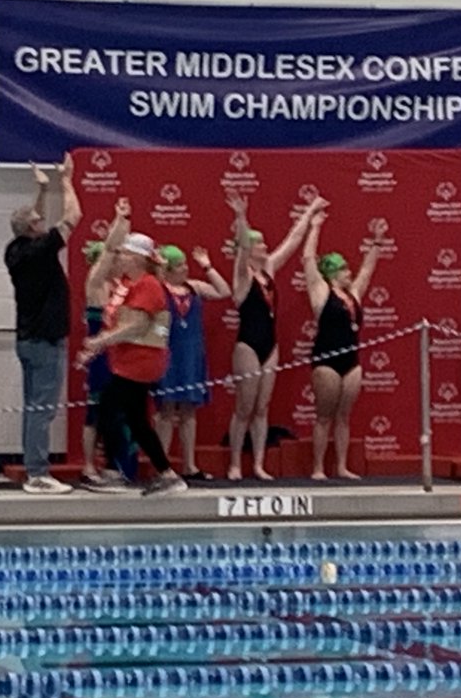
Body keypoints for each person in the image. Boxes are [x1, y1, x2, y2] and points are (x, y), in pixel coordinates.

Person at [226, 191, 329, 480]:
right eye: (259, 242)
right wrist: (241, 217)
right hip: (247, 344)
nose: (264, 245)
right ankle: (235, 463)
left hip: (270, 344)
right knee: (244, 407)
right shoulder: (242, 276)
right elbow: (243, 248)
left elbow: (293, 241)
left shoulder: (269, 269)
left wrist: (311, 211)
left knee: (262, 408)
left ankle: (258, 464)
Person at [76, 232, 187, 496]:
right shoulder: (127, 284)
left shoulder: (148, 285)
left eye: (125, 254)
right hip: (126, 359)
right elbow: (117, 321)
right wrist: (98, 346)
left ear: (138, 259)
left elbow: (137, 325)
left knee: (108, 410)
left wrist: (100, 341)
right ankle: (167, 474)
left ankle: (115, 473)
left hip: (141, 361)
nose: (121, 258)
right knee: (136, 420)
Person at [4, 155, 80, 495]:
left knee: (33, 408)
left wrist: (41, 189)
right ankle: (37, 472)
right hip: (46, 341)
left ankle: (35, 468)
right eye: (39, 220)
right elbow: (73, 217)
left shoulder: (15, 250)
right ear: (35, 229)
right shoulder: (41, 250)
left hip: (28, 340)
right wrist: (66, 181)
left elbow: (31, 221)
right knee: (43, 410)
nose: (42, 221)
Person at [302, 212, 383, 480]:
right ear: (333, 272)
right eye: (345, 269)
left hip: (351, 360)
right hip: (326, 360)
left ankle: (341, 466)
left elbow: (368, 270)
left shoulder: (353, 294)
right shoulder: (321, 292)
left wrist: (377, 242)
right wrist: (315, 227)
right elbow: (308, 261)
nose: (351, 273)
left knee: (344, 417)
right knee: (324, 416)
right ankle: (317, 468)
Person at [154, 243, 231, 480]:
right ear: (167, 270)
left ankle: (189, 465)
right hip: (168, 354)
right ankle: (162, 466)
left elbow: (224, 291)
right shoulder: (158, 289)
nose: (185, 269)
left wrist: (207, 266)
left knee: (188, 410)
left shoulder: (194, 288)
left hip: (191, 355)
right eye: (179, 266)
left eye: (186, 264)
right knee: (166, 410)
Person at [80, 198, 130, 484]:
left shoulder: (118, 288)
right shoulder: (95, 283)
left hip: (117, 355)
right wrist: (119, 220)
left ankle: (112, 463)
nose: (120, 259)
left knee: (115, 411)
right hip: (100, 355)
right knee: (95, 412)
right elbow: (111, 248)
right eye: (116, 257)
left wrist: (124, 224)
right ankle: (88, 465)